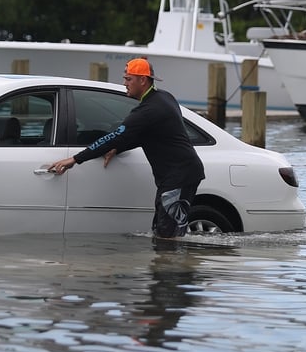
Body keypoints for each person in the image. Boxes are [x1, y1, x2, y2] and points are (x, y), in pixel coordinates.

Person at [48, 57, 205, 238]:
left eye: (128, 79)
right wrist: (118, 148)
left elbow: (114, 136)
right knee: (166, 232)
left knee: (166, 235)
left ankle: (181, 258)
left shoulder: (148, 110)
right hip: (180, 174)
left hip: (179, 176)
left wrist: (75, 159)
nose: (124, 84)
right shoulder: (164, 97)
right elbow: (149, 135)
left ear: (142, 80)